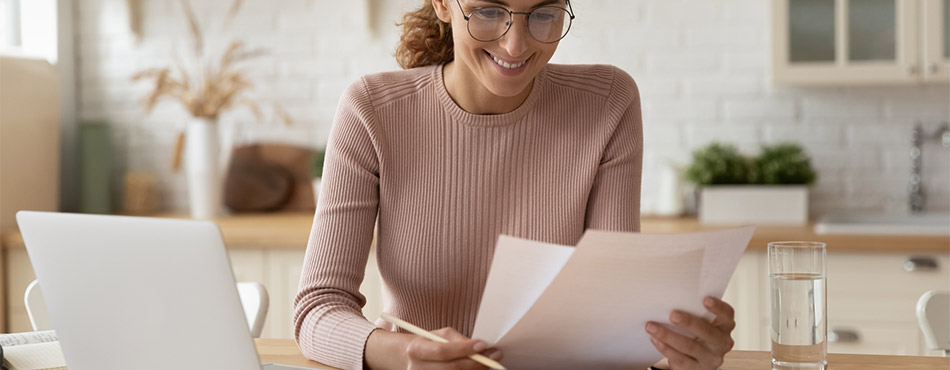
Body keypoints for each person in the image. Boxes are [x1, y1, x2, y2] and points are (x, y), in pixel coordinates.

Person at [293, 0, 736, 369]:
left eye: (543, 14)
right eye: (488, 10)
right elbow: (318, 309)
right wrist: (403, 355)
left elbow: (612, 315)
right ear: (445, 5)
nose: (516, 44)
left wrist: (673, 352)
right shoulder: (372, 110)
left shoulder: (606, 103)